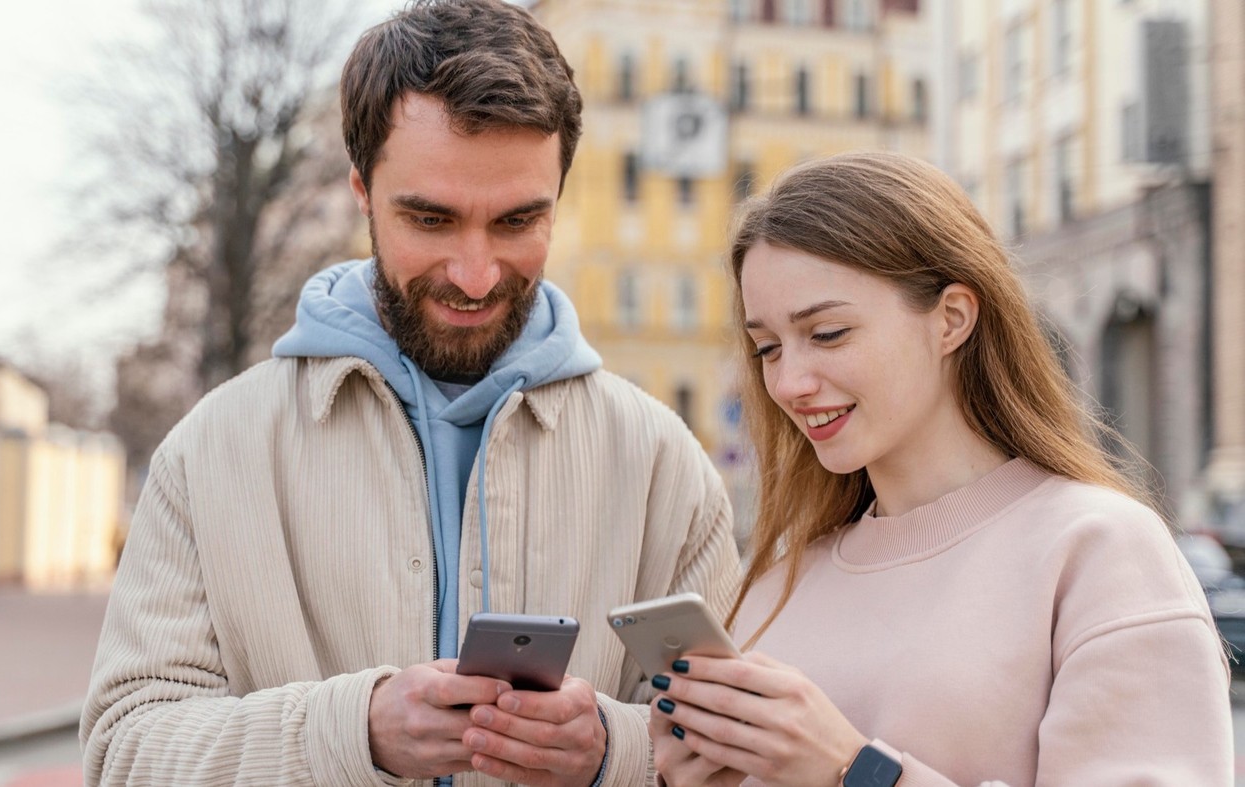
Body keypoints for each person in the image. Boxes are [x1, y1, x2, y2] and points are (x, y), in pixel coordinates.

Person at [79, 0, 740, 784]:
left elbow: (738, 755)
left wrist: (613, 750)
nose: (475, 273)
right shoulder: (211, 448)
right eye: (431, 219)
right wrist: (350, 733)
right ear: (362, 190)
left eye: (518, 221)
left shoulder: (663, 462)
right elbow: (123, 753)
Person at [646, 151, 1233, 786]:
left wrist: (853, 771)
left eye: (829, 333)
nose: (789, 382)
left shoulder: (1099, 550)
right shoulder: (780, 579)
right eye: (767, 348)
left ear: (951, 318)